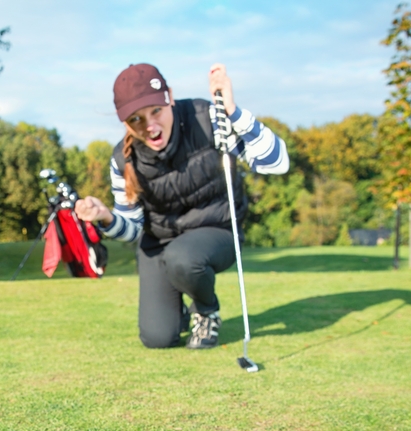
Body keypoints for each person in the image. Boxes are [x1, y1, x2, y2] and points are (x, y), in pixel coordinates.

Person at [74, 63, 289, 349]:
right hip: (160, 242)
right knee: (158, 337)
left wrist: (233, 111)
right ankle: (179, 311)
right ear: (123, 121)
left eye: (156, 112)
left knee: (183, 258)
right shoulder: (123, 159)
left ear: (170, 98)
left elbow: (277, 162)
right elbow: (131, 230)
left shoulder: (209, 118)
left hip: (216, 230)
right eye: (136, 119)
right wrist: (105, 216)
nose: (149, 127)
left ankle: (206, 310)